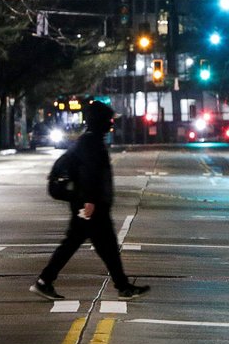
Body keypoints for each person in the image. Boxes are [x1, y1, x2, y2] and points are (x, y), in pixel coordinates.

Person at [31, 100, 149, 301]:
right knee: (100, 246)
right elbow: (89, 173)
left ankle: (46, 281)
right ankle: (122, 287)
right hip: (89, 206)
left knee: (95, 246)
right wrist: (90, 201)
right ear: (100, 121)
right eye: (109, 120)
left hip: (89, 203)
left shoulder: (90, 140)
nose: (111, 124)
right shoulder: (91, 143)